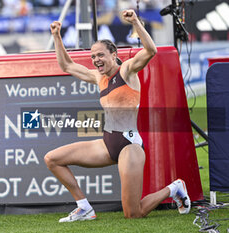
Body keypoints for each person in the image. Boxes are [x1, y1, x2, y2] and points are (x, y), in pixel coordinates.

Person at [44, 9, 191, 222]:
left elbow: (151, 50)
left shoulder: (127, 71)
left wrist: (135, 23)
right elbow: (66, 65)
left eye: (100, 55)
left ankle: (174, 188)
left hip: (129, 146)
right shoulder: (98, 77)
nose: (96, 60)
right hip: (107, 143)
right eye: (93, 56)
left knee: (133, 213)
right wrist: (57, 36)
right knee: (52, 159)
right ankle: (84, 208)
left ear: (114, 55)